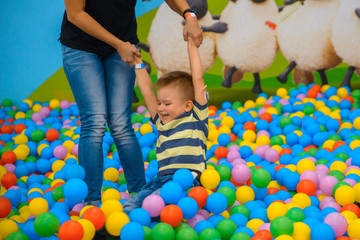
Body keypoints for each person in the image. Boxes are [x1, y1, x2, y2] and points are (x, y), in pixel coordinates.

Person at [59, 0, 203, 205]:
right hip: (82, 46)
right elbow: (75, 14)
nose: (162, 109)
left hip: (123, 43)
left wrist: (189, 15)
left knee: (120, 123)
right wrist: (118, 45)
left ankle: (139, 195)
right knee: (95, 121)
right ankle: (92, 202)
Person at [122, 36, 208, 214]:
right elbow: (147, 91)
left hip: (185, 181)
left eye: (167, 104)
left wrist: (192, 46)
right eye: (159, 103)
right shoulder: (162, 122)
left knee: (159, 206)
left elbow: (198, 78)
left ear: (187, 105)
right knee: (132, 204)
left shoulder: (195, 118)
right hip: (160, 180)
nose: (160, 108)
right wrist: (138, 63)